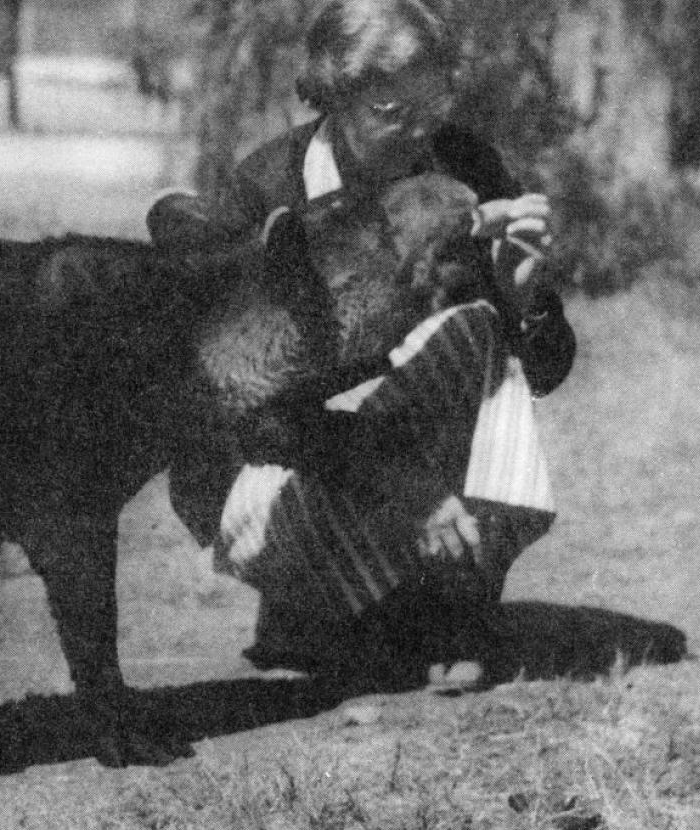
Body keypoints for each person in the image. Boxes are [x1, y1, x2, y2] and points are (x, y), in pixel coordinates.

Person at [149, 0, 576, 687]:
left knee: (474, 328)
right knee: (346, 634)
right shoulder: (270, 188)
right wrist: (404, 486)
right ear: (334, 94)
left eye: (428, 109)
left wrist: (522, 297)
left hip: (401, 447)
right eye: (388, 112)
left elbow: (544, 371)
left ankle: (450, 604)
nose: (414, 135)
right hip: (272, 466)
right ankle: (310, 603)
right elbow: (233, 411)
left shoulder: (463, 166)